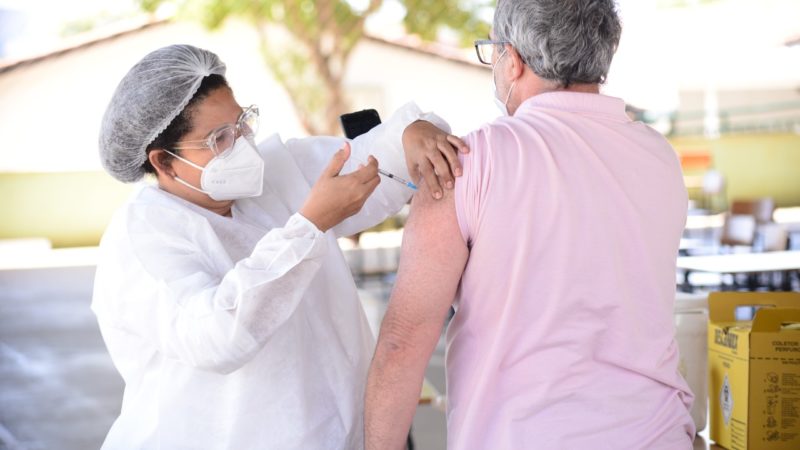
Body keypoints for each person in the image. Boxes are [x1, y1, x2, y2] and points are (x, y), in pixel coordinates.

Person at [91, 44, 467, 449]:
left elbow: (378, 160)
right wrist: (308, 226)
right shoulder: (145, 234)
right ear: (164, 163)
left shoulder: (275, 175)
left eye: (241, 123)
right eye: (219, 138)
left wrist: (414, 131)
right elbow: (219, 337)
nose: (241, 143)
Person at [365, 1, 695, 449]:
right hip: (655, 435)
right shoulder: (659, 158)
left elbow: (403, 343)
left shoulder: (464, 165)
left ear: (513, 60)